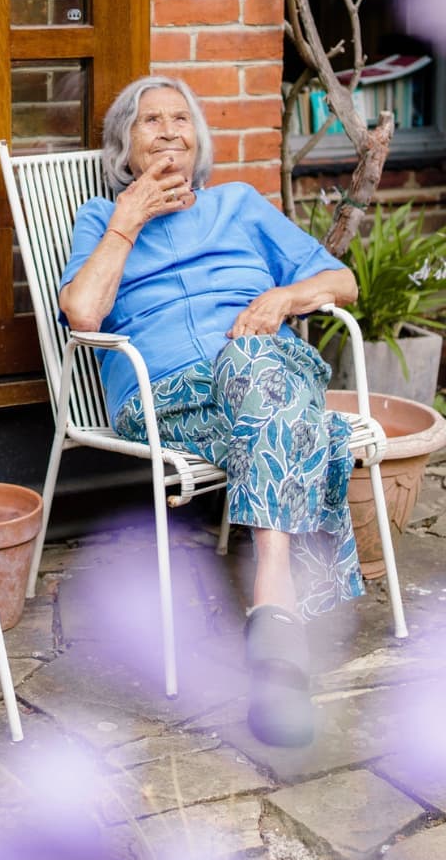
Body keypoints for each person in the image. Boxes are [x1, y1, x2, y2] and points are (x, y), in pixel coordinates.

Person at [57, 75, 365, 748]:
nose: (170, 130)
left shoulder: (238, 205)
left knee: (256, 369)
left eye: (181, 119)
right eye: (150, 121)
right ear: (124, 147)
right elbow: (82, 313)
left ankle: (272, 610)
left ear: (198, 141)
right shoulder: (100, 218)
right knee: (298, 418)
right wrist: (128, 221)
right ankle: (280, 622)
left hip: (261, 373)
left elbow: (341, 281)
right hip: (167, 398)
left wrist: (284, 299)